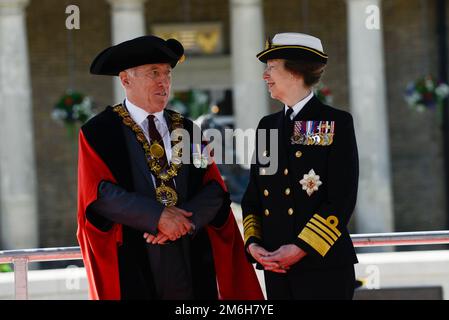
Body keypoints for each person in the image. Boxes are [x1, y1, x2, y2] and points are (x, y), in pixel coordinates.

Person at [77, 35, 263, 300]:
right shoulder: (98, 132)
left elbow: (213, 190)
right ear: (126, 80)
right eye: (154, 73)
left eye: (167, 73)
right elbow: (99, 194)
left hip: (188, 250)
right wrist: (158, 218)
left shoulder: (187, 130)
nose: (163, 81)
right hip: (135, 250)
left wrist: (184, 221)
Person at [242, 32, 359, 299]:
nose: (265, 76)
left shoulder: (334, 122)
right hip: (276, 269)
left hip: (323, 267)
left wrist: (300, 248)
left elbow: (341, 199)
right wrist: (253, 244)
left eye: (271, 68)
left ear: (295, 72)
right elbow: (253, 197)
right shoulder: (267, 126)